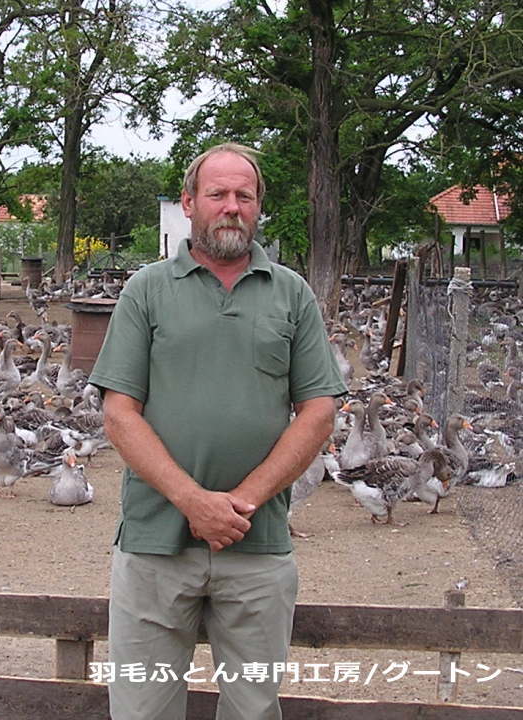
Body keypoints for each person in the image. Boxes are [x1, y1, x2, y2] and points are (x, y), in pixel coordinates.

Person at [88, 142, 346, 720]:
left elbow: (319, 411)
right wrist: (191, 501)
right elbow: (118, 413)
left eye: (244, 196)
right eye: (217, 194)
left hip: (257, 545)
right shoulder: (146, 290)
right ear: (188, 203)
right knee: (142, 709)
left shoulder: (292, 294)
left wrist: (242, 503)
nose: (231, 207)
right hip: (155, 543)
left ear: (258, 208)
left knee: (253, 708)